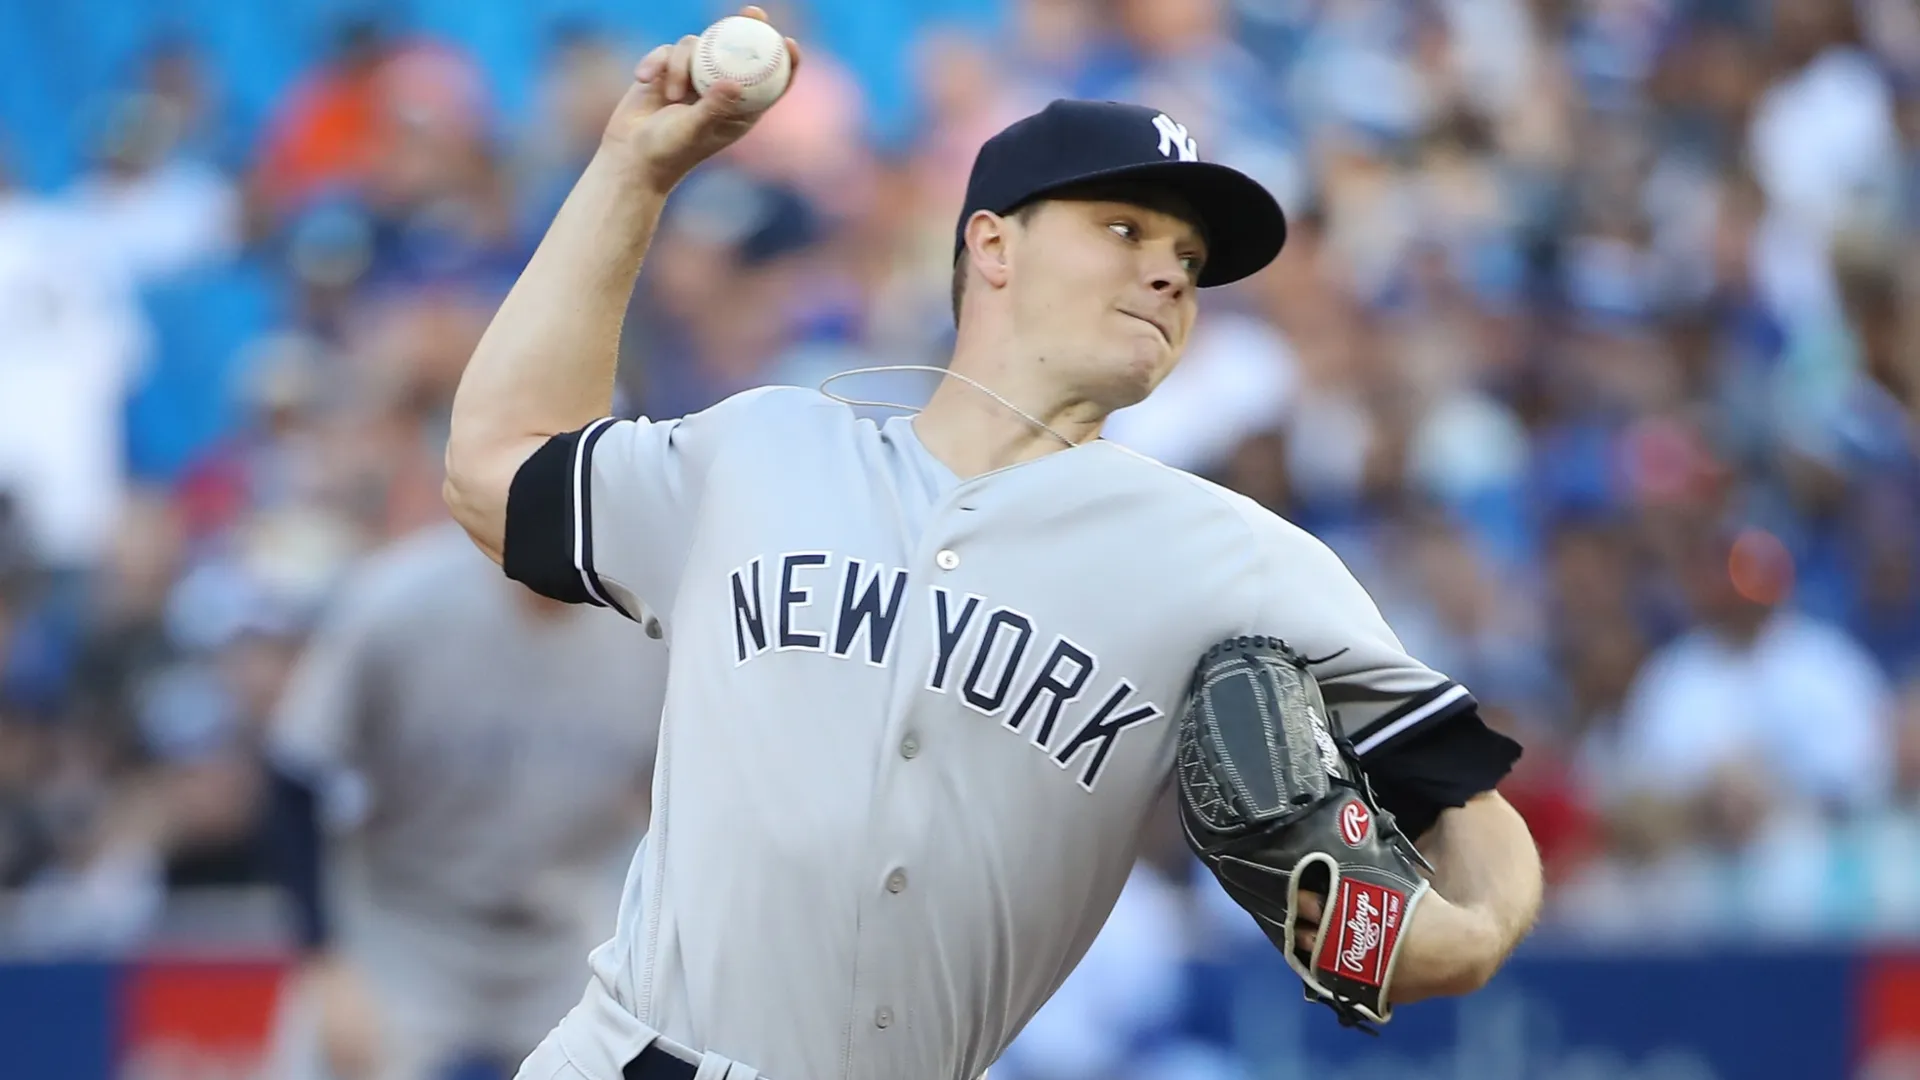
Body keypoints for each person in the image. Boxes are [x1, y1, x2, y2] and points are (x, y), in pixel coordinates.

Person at [440, 9, 1544, 1079]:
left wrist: (1462, 940)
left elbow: (1469, 809)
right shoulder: (764, 448)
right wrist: (631, 173)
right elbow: (496, 466)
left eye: (1189, 257)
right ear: (993, 243)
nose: (1170, 273)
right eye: (1125, 230)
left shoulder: (1237, 560)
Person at [263, 520, 668, 1080]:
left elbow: (685, 805)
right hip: (405, 924)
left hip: (567, 928)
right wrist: (325, 962)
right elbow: (296, 773)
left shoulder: (655, 622)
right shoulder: (401, 600)